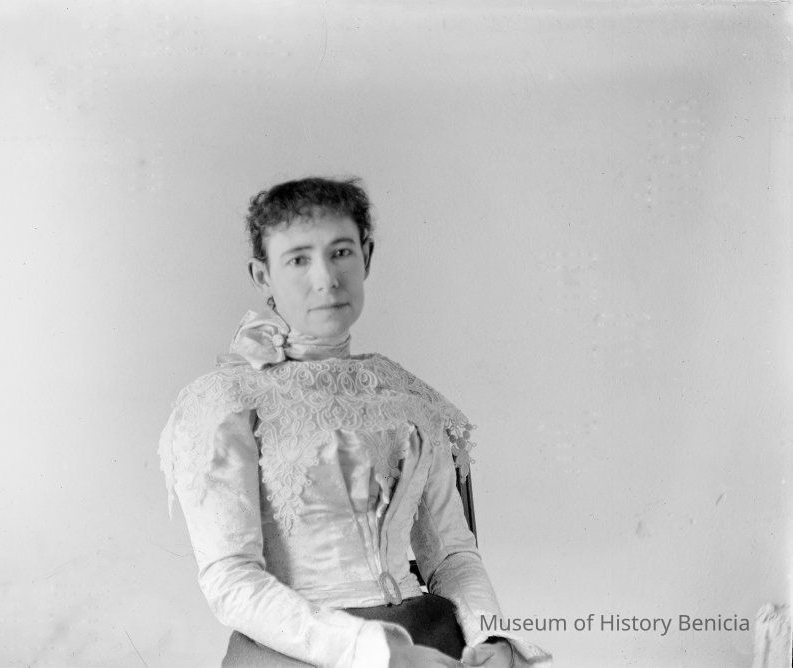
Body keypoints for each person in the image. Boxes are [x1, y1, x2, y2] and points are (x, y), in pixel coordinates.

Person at [158, 177, 551, 667]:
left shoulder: (407, 396)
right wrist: (379, 652)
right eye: (298, 260)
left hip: (430, 639)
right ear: (262, 276)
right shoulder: (225, 402)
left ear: (366, 256)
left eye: (341, 252)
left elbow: (452, 554)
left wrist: (487, 636)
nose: (326, 278)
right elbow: (230, 578)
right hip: (297, 653)